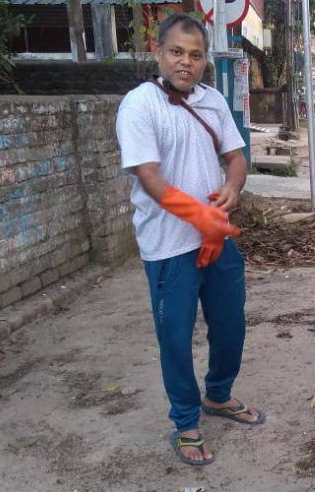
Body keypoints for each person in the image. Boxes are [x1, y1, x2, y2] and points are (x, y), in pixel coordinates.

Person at [115, 13, 267, 468]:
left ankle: (217, 395)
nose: (186, 62)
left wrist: (232, 189)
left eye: (195, 55)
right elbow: (150, 179)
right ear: (158, 53)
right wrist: (200, 215)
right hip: (168, 246)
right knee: (176, 339)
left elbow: (236, 157)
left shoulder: (213, 100)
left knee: (230, 325)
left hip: (217, 241)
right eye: (177, 52)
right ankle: (185, 421)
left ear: (204, 61)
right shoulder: (139, 105)